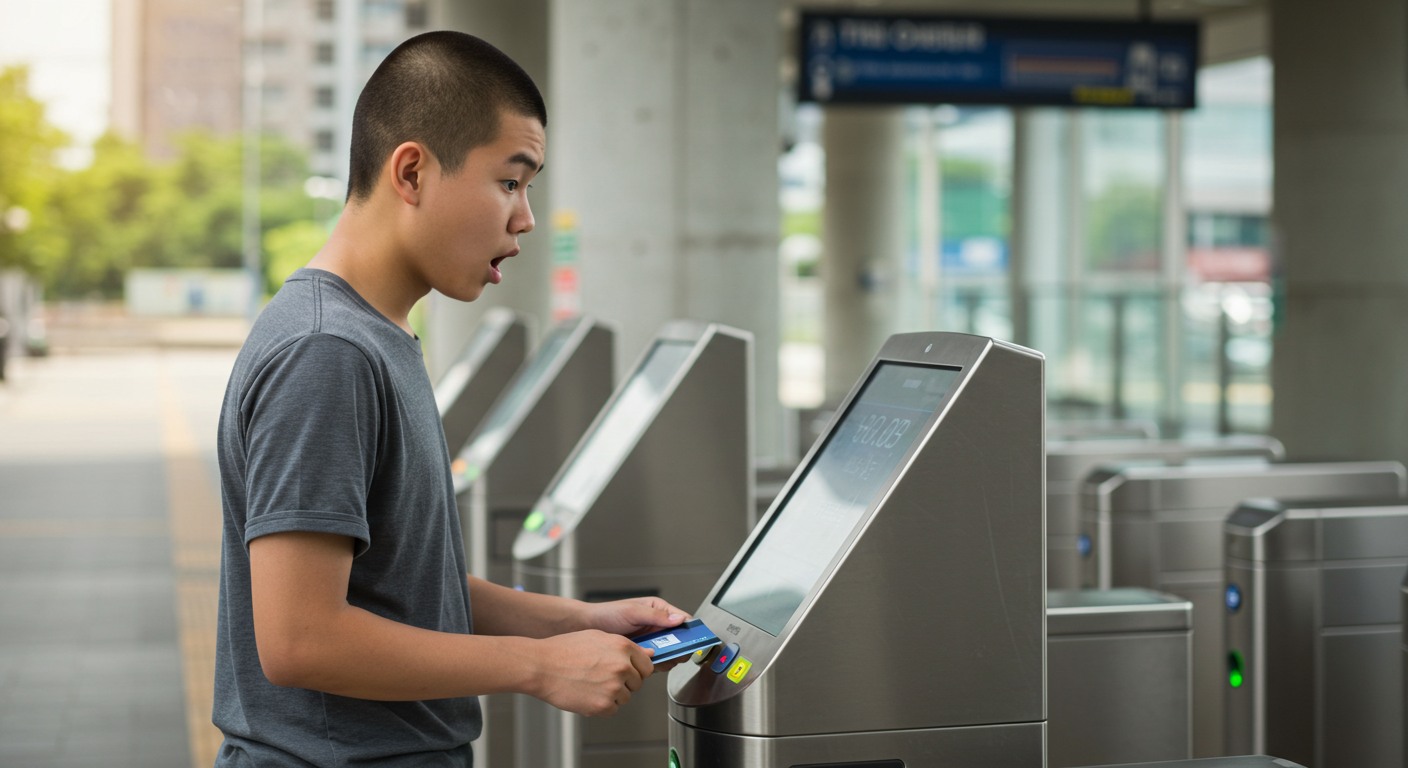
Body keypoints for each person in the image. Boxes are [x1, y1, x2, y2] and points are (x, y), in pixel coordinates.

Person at [213, 31, 689, 767]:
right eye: (510, 181)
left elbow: (406, 585)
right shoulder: (328, 352)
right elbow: (301, 640)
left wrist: (577, 622)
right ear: (412, 171)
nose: (525, 218)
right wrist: (538, 668)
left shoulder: (374, 336)